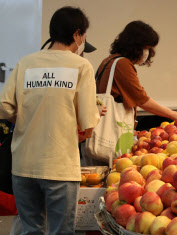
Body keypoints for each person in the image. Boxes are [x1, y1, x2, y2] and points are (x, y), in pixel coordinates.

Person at [0, 6, 100, 234]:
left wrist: (29, 117)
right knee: (60, 231)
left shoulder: (26, 62)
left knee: (30, 230)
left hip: (23, 166)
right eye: (84, 35)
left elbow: (4, 107)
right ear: (77, 34)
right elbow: (87, 122)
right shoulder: (81, 66)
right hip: (60, 167)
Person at [96, 21, 177, 123]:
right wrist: (173, 114)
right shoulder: (122, 64)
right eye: (145, 48)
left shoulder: (109, 60)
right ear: (134, 46)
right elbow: (141, 99)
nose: (147, 52)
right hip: (112, 129)